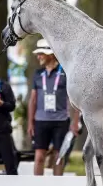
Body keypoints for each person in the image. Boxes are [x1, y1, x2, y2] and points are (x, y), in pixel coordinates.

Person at [28, 39, 80, 176]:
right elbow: (33, 100)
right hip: (40, 121)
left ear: (50, 54)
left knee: (58, 157)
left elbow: (74, 100)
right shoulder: (38, 74)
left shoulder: (65, 72)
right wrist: (30, 122)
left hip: (61, 121)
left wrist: (75, 122)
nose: (38, 56)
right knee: (39, 157)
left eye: (41, 54)